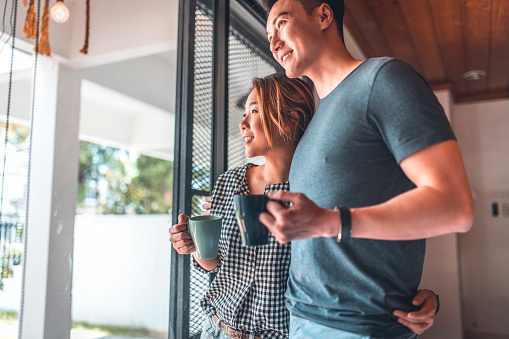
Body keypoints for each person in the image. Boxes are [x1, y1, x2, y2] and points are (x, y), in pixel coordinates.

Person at [259, 1, 475, 338]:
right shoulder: (318, 119)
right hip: (299, 318)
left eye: (281, 23)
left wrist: (332, 222)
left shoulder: (383, 79)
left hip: (359, 328)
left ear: (323, 15)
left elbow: (455, 206)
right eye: (268, 34)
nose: (272, 43)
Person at [170, 74, 439, 339]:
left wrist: (421, 297)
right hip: (216, 328)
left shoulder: (315, 192)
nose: (242, 123)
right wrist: (195, 247)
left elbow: (351, 259)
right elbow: (215, 265)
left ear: (290, 119)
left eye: (254, 111)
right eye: (244, 112)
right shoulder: (229, 182)